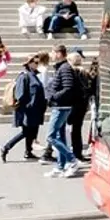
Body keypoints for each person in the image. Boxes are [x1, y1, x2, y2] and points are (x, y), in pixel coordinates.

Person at [0, 55, 46, 162]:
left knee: (32, 131)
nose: (37, 64)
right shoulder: (24, 76)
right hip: (28, 110)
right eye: (35, 62)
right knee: (26, 132)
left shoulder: (34, 75)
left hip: (35, 110)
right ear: (29, 63)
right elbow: (20, 94)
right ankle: (5, 148)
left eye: (38, 62)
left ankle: (28, 152)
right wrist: (29, 105)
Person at [43, 44, 80, 178]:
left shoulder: (64, 68)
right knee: (59, 136)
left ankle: (72, 160)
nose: (51, 55)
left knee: (51, 137)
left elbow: (68, 88)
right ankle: (60, 166)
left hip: (61, 107)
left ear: (59, 53)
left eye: (52, 52)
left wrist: (53, 96)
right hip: (60, 106)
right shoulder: (62, 67)